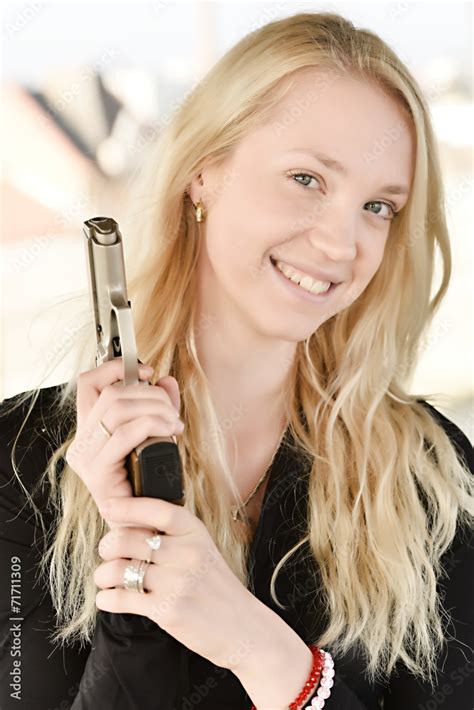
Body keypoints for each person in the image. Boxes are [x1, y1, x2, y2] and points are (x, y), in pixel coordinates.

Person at [1, 10, 473, 710]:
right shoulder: (19, 457)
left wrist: (270, 656)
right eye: (308, 179)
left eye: (378, 206)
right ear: (204, 170)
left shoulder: (430, 477)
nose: (344, 243)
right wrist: (137, 581)